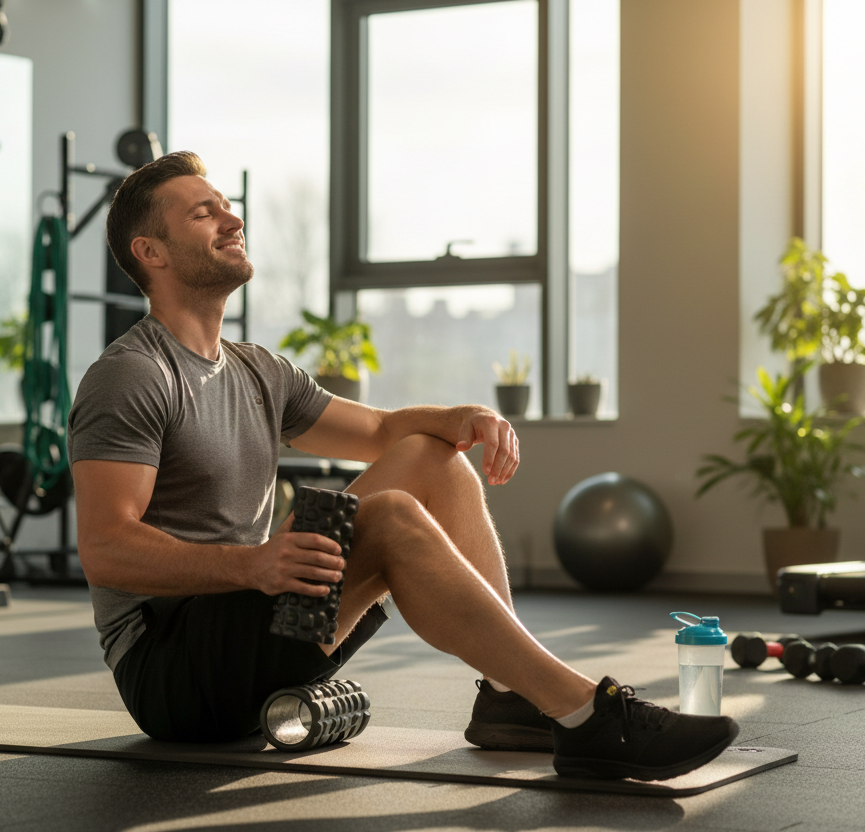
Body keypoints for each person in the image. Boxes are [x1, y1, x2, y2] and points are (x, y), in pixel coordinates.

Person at [68, 151, 738, 781]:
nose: (233, 219)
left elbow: (386, 432)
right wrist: (251, 564)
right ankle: (587, 714)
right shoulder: (131, 376)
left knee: (430, 458)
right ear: (150, 252)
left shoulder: (256, 369)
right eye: (202, 213)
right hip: (171, 672)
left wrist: (459, 417)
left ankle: (510, 697)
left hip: (252, 627)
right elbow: (105, 549)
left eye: (226, 205)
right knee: (383, 517)